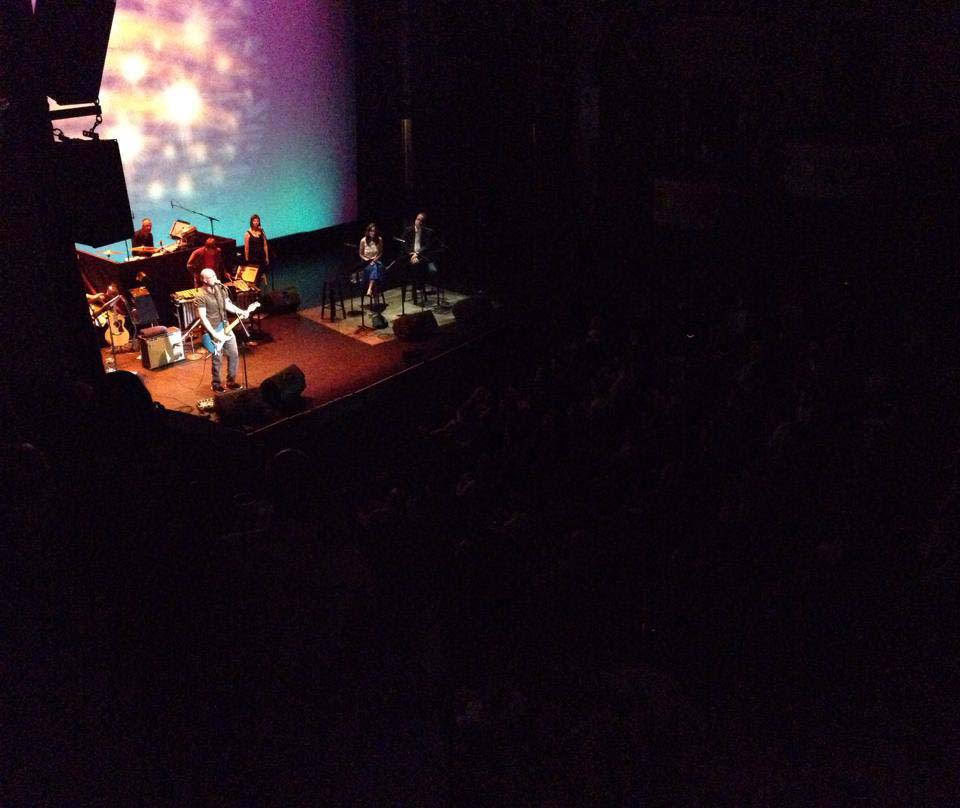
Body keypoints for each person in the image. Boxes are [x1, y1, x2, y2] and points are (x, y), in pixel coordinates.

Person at [195, 267, 252, 392]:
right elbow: (203, 318)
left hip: (225, 326)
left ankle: (231, 382)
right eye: (211, 277)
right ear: (203, 280)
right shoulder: (200, 296)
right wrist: (214, 334)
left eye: (215, 276)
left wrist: (241, 311)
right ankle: (216, 384)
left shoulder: (221, 289)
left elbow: (227, 304)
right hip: (213, 329)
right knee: (217, 358)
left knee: (234, 354)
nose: (215, 279)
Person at [402, 212, 440, 303]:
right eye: (417, 219)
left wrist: (417, 253)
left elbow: (427, 246)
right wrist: (411, 254)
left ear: (424, 223)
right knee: (415, 265)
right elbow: (403, 244)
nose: (419, 222)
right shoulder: (408, 230)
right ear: (415, 219)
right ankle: (418, 287)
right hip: (409, 255)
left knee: (421, 265)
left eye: (421, 221)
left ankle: (419, 285)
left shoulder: (427, 232)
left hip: (421, 255)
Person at [357, 223, 384, 298]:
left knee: (375, 266)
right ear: (368, 231)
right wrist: (367, 260)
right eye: (371, 231)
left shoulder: (379, 239)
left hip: (376, 260)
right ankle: (373, 289)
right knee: (374, 267)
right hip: (366, 261)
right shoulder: (363, 240)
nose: (373, 232)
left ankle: (370, 289)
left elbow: (380, 253)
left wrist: (374, 260)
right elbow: (361, 254)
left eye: (374, 231)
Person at [244, 214, 270, 286]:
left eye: (257, 221)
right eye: (254, 221)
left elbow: (265, 245)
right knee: (254, 276)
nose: (256, 222)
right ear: (251, 222)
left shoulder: (261, 232)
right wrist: (247, 260)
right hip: (253, 258)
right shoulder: (247, 233)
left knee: (261, 273)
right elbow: (246, 248)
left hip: (261, 256)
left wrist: (267, 257)